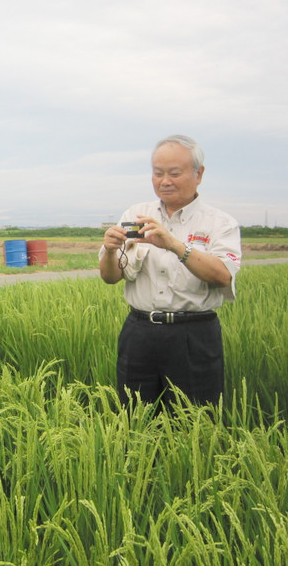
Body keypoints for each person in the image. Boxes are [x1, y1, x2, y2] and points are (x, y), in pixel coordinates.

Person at [99, 134, 241, 408]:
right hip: (139, 331)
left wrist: (175, 245)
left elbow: (223, 275)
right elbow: (110, 277)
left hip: (194, 335)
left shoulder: (219, 223)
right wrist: (110, 250)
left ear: (198, 174)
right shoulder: (136, 213)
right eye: (157, 173)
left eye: (174, 173)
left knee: (195, 421)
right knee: (133, 417)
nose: (164, 181)